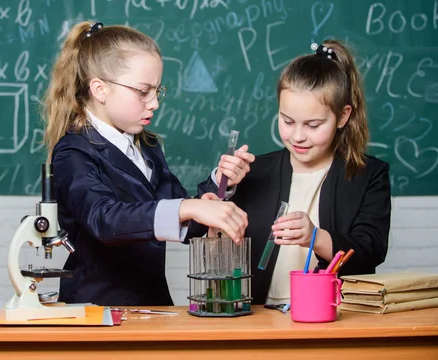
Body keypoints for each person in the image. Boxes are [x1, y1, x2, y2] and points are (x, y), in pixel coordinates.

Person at [43, 21, 254, 306]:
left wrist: (220, 184)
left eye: (157, 90)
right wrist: (189, 207)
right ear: (100, 89)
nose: (154, 103)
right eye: (143, 91)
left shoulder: (147, 146)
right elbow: (104, 219)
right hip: (95, 312)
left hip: (151, 306)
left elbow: (185, 222)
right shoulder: (73, 152)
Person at [195, 39, 391, 305]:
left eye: (313, 125)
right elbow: (199, 223)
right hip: (259, 316)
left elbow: (371, 250)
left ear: (343, 117)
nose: (297, 136)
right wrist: (223, 184)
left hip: (334, 315)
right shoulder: (255, 171)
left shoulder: (368, 174)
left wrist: (315, 237)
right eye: (287, 121)